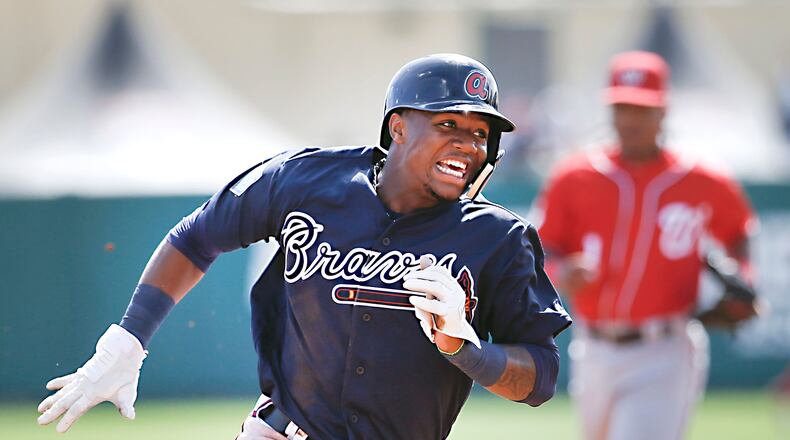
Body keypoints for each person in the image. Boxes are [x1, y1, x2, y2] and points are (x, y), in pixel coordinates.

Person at [37, 53, 572, 440]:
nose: (468, 144)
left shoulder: (499, 238)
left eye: (481, 133)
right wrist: (127, 341)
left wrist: (466, 349)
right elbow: (197, 236)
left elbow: (539, 378)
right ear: (398, 127)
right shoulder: (306, 180)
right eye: (448, 123)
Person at [531, 50, 758, 440]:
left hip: (664, 349)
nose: (630, 120)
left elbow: (741, 232)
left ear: (663, 111)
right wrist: (561, 272)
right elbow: (542, 248)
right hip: (593, 347)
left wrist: (745, 277)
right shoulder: (575, 176)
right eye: (622, 107)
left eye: (641, 108)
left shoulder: (702, 179)